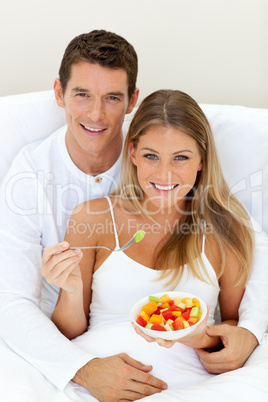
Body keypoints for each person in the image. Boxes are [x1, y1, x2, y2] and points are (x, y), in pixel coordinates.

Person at [0, 29, 267, 401]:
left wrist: (248, 331)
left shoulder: (221, 223)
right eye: (82, 94)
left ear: (130, 101)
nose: (96, 113)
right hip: (92, 367)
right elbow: (15, 303)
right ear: (135, 154)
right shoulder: (53, 191)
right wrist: (81, 362)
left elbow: (245, 288)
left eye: (111, 97)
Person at [42, 89, 258, 400]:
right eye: (151, 156)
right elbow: (68, 334)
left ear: (202, 160)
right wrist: (72, 291)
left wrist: (198, 338)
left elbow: (233, 333)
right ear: (132, 153)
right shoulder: (92, 218)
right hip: (93, 390)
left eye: (181, 158)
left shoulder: (224, 228)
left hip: (192, 388)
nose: (164, 174)